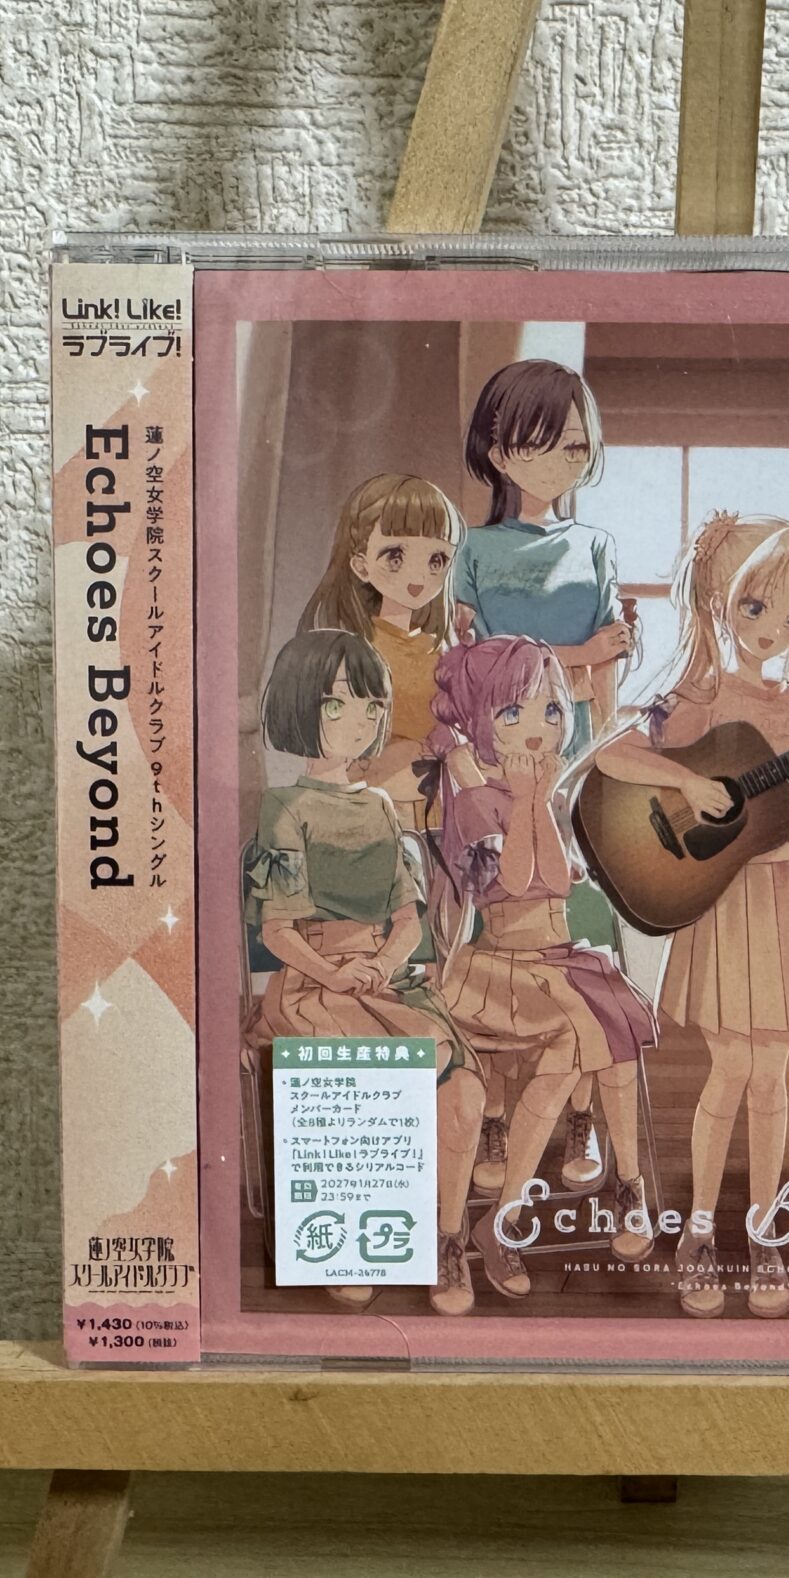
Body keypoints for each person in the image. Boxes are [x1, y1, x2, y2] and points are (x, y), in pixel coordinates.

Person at [591, 515, 789, 1319]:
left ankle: (763, 1233)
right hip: (725, 900)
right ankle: (699, 1232)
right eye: (756, 607)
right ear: (719, 600)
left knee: (772, 1074)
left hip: (783, 890)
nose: (772, 630)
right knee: (732, 1068)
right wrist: (688, 783)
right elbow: (611, 755)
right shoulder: (696, 695)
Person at [247, 628, 489, 1315]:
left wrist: (382, 964)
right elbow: (276, 930)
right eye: (337, 705)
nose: (358, 721)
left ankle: (447, 1241)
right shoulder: (283, 808)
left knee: (465, 1092)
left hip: (386, 980)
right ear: (300, 708)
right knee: (367, 1079)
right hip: (311, 984)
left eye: (370, 706)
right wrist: (334, 974)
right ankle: (349, 1243)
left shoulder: (383, 807)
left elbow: (409, 921)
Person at [454, 359, 635, 1193]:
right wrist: (578, 658)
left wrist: (590, 682)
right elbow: (469, 671)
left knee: (578, 943)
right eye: (542, 444)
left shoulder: (596, 547)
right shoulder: (472, 550)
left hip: (575, 771)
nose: (563, 460)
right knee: (497, 942)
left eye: (575, 446)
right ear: (499, 453)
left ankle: (582, 1118)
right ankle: (494, 1117)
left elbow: (607, 686)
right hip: (489, 774)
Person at [429, 637, 657, 1268]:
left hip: (558, 958)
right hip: (501, 965)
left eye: (551, 710)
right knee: (591, 1036)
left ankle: (625, 1182)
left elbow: (557, 880)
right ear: (484, 723)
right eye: (514, 713)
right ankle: (518, 1211)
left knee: (612, 1038)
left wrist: (541, 798)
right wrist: (529, 799)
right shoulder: (474, 802)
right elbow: (516, 881)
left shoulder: (551, 796)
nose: (538, 727)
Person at [295, 472, 469, 831]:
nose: (418, 575)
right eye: (395, 556)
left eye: (436, 560)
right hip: (379, 810)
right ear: (361, 564)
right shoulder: (353, 652)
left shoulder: (442, 648)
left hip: (443, 811)